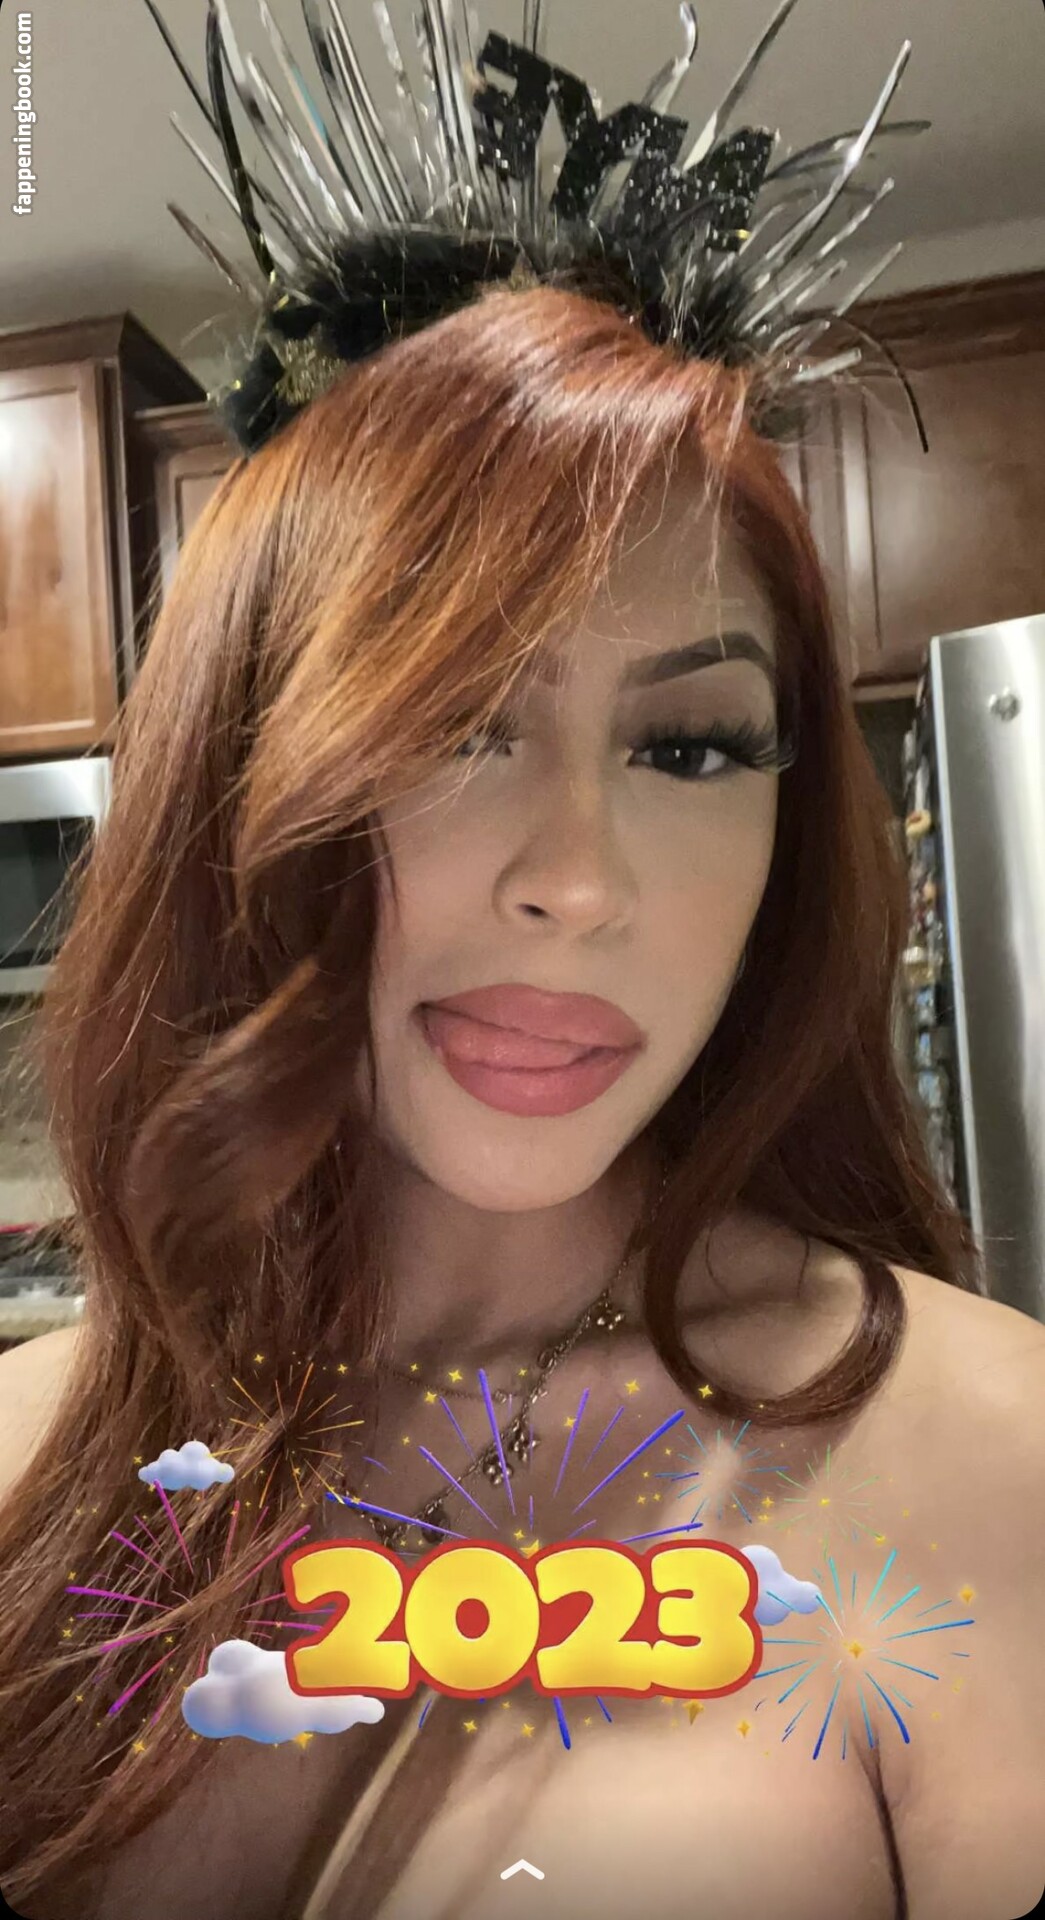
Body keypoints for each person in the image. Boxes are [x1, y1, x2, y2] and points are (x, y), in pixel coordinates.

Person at [0, 282, 1042, 1920]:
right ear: (239, 781)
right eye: (451, 726)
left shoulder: (987, 1458)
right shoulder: (29, 1452)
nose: (579, 879)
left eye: (691, 747)